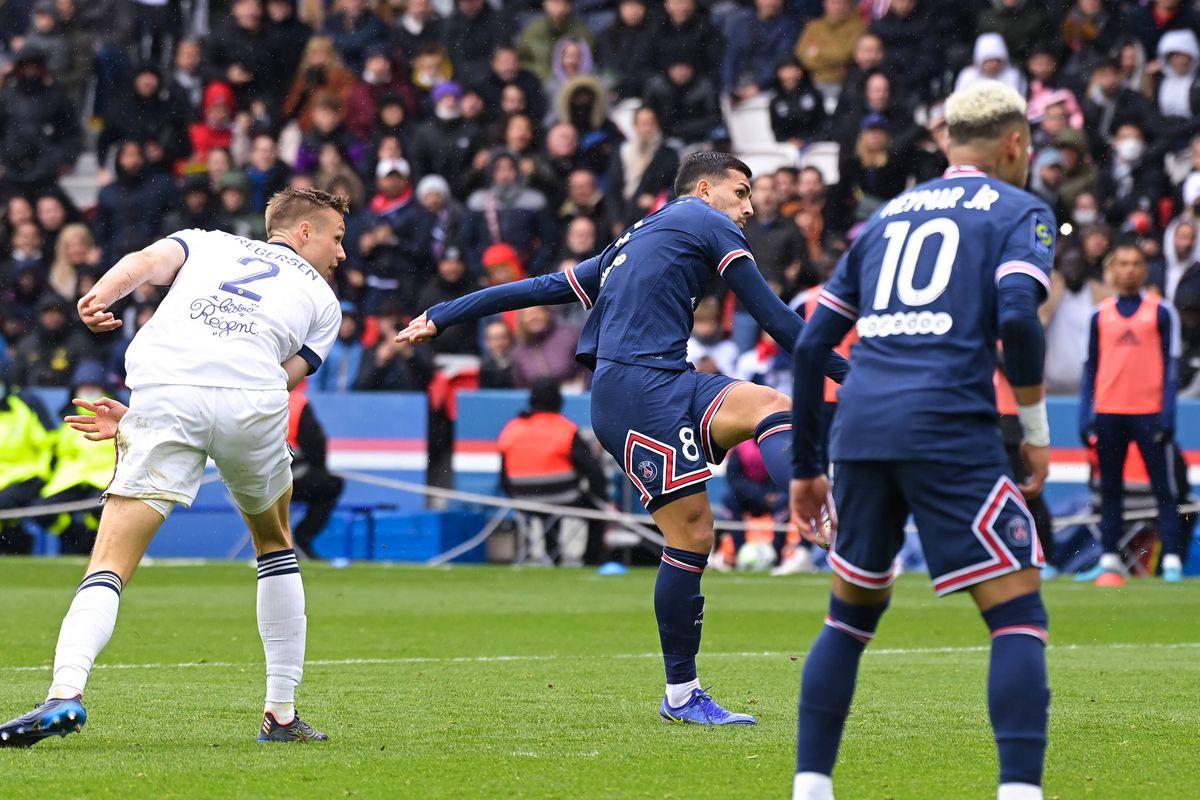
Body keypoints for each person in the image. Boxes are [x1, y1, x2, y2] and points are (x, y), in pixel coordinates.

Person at [398, 151, 848, 726]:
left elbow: (534, 288)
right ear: (705, 190)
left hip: (666, 379)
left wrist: (443, 311)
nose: (749, 207)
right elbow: (777, 318)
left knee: (772, 407)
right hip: (637, 393)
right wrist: (849, 375)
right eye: (741, 193)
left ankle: (821, 516)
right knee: (693, 536)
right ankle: (684, 694)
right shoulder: (705, 221)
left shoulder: (630, 243)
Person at [0, 188, 348, 748]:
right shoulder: (325, 303)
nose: (341, 254)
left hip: (163, 392)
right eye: (336, 237)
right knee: (275, 543)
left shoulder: (206, 242)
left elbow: (142, 265)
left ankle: (65, 693)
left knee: (110, 560)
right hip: (252, 400)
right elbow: (286, 375)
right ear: (303, 231)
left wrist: (98, 297)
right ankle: (280, 716)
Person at [789, 81, 1053, 800]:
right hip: (947, 424)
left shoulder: (884, 220)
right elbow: (1022, 324)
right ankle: (1020, 793)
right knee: (1017, 612)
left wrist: (805, 468)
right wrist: (1032, 428)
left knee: (849, 615)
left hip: (862, 428)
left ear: (945, 143)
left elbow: (812, 346)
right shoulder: (1021, 210)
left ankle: (810, 787)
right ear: (1015, 144)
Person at [1077, 243, 1185, 586]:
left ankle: (1171, 560)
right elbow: (1089, 368)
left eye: (1137, 264)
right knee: (1109, 489)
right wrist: (1085, 413)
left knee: (1163, 489)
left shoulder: (1161, 312)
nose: (1130, 270)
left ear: (1145, 270)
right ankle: (1108, 557)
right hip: (1109, 411)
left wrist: (1168, 413)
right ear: (1112, 269)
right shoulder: (1099, 315)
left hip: (1149, 413)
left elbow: (1172, 365)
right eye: (1123, 263)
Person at [497, 378, 609, 566]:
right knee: (595, 515)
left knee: (548, 511)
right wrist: (603, 498)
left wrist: (514, 496)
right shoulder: (565, 429)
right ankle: (590, 561)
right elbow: (592, 470)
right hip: (562, 497)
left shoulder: (512, 428)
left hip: (523, 499)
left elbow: (503, 476)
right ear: (558, 400)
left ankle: (553, 556)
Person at [288, 381, 345, 560]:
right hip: (289, 475)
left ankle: (270, 542)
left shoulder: (253, 397)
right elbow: (316, 445)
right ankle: (302, 538)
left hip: (249, 478)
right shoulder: (296, 403)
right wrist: (321, 469)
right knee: (331, 485)